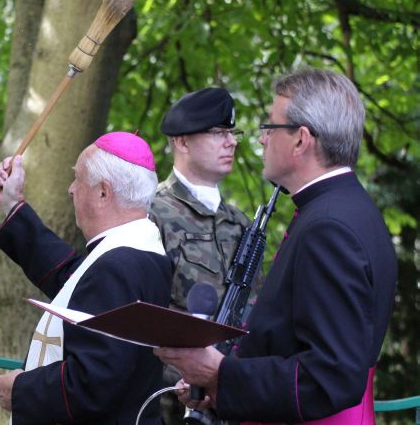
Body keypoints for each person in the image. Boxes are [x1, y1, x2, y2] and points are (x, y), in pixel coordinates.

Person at [155, 68, 398, 424]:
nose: (260, 140)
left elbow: (328, 377)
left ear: (301, 140)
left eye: (270, 127)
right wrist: (222, 385)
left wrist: (220, 373)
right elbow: (287, 341)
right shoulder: (343, 210)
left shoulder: (329, 228)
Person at [0, 132, 172, 425]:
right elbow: (73, 280)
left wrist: (20, 390)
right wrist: (13, 205)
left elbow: (94, 382)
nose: (71, 189)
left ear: (103, 192)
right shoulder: (137, 249)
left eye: (78, 178)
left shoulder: (119, 265)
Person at [149, 87, 251, 424]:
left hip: (233, 402)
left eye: (232, 133)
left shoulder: (242, 224)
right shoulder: (152, 214)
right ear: (182, 142)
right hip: (170, 407)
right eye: (218, 132)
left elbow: (253, 317)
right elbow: (141, 319)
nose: (232, 142)